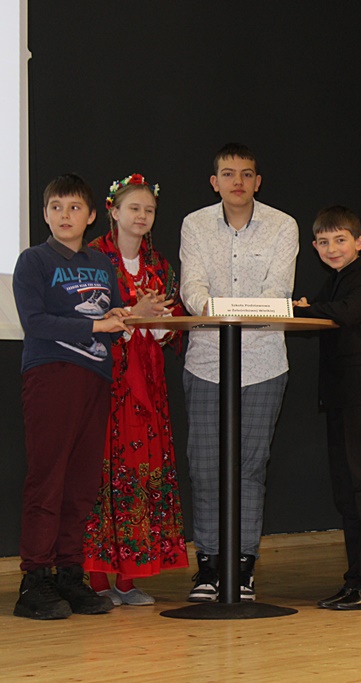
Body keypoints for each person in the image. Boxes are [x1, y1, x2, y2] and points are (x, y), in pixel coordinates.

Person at [179, 143, 299, 602]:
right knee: (205, 467)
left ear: (257, 182)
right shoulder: (194, 224)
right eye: (228, 174)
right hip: (207, 360)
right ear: (215, 182)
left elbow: (278, 290)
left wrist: (232, 310)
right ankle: (209, 566)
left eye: (246, 174)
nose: (238, 182)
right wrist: (213, 308)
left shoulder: (283, 225)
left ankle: (243, 566)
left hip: (263, 361)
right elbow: (192, 286)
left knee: (250, 467)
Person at [13, 173, 127, 619]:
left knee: (80, 483)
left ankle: (68, 573)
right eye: (56, 207)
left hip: (94, 378)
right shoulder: (33, 260)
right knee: (48, 479)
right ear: (45, 214)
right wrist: (97, 325)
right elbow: (35, 322)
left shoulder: (101, 263)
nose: (65, 215)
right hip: (51, 375)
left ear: (91, 215)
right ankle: (35, 579)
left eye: (74, 207)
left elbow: (112, 318)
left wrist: (132, 314)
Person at [82, 173, 189, 606]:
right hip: (105, 381)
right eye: (134, 208)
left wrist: (161, 323)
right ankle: (96, 577)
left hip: (148, 385)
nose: (142, 216)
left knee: (141, 471)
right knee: (101, 472)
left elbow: (174, 320)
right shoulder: (91, 259)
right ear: (113, 211)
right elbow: (85, 316)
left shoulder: (159, 265)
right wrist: (133, 314)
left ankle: (130, 576)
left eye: (149, 210)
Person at [293, 206, 361, 611]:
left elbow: (347, 312)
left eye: (340, 240)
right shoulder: (334, 281)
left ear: (359, 243)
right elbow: (321, 310)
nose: (331, 248)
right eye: (323, 242)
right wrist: (305, 307)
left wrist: (304, 308)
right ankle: (356, 580)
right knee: (347, 494)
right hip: (340, 397)